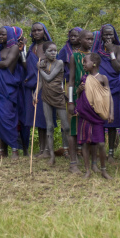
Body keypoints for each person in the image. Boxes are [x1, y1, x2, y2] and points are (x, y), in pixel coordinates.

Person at [35, 41, 78, 172]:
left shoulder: (59, 63)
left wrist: (39, 69)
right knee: (49, 126)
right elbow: (42, 81)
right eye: (50, 51)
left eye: (55, 50)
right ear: (44, 52)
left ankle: (71, 153)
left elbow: (49, 78)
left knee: (65, 126)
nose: (53, 53)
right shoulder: (43, 64)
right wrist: (35, 93)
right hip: (46, 96)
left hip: (58, 96)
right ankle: (52, 156)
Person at [75, 53, 113, 179]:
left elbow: (109, 96)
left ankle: (103, 170)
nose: (83, 64)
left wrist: (110, 112)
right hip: (85, 115)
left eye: (85, 62)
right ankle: (87, 170)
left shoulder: (103, 78)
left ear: (94, 63)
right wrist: (79, 90)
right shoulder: (84, 78)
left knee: (101, 144)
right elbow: (79, 95)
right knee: (85, 143)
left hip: (97, 115)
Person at [92, 24, 120, 163]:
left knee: (112, 122)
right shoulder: (97, 50)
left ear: (114, 35)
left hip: (114, 89)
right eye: (106, 34)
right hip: (99, 89)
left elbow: (118, 69)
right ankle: (100, 152)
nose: (108, 37)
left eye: (111, 34)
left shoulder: (119, 49)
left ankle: (111, 153)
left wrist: (111, 51)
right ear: (101, 35)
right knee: (99, 120)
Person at [0, 26, 22, 158]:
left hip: (7, 88)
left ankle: (14, 149)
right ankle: (1, 151)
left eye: (3, 34)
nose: (0, 36)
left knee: (7, 117)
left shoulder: (14, 48)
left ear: (9, 35)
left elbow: (6, 64)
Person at [23, 22, 53, 158]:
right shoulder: (31, 47)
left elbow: (53, 65)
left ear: (44, 32)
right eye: (33, 30)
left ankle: (48, 149)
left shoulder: (49, 47)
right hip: (32, 86)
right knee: (38, 120)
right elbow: (27, 66)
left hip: (45, 86)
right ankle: (41, 150)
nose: (36, 33)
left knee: (46, 119)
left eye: (39, 30)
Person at [68, 30, 94, 171]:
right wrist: (71, 101)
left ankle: (92, 162)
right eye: (87, 39)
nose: (90, 42)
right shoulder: (75, 56)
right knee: (74, 129)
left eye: (92, 39)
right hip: (78, 97)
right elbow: (71, 80)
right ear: (80, 40)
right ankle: (73, 162)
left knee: (90, 128)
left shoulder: (94, 56)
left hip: (92, 98)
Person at [57, 27, 83, 158]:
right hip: (69, 85)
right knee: (67, 118)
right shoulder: (64, 51)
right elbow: (59, 72)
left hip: (84, 86)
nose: (73, 38)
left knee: (81, 117)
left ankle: (80, 148)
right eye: (71, 36)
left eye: (76, 36)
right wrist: (62, 90)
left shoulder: (86, 51)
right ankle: (66, 148)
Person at [15, 26, 30, 156]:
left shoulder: (24, 49)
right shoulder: (6, 50)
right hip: (11, 86)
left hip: (23, 87)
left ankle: (25, 148)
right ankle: (16, 148)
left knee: (24, 118)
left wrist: (22, 50)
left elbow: (26, 65)